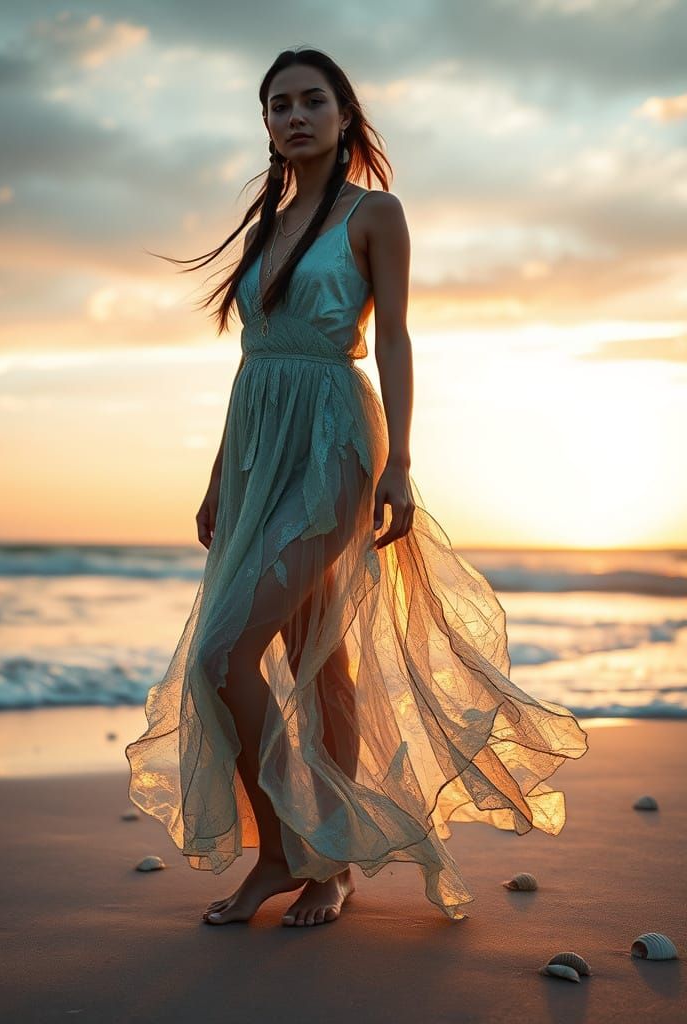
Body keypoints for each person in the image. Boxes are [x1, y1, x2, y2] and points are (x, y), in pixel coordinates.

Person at [125, 47, 589, 928]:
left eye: (311, 101)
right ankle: (310, 859)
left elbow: (397, 339)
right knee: (311, 655)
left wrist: (403, 461)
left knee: (229, 654)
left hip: (338, 438)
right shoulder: (269, 224)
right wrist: (221, 474)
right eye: (278, 106)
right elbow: (251, 360)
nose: (294, 117)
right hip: (259, 446)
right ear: (265, 125)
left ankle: (305, 855)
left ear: (344, 115)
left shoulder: (376, 213)